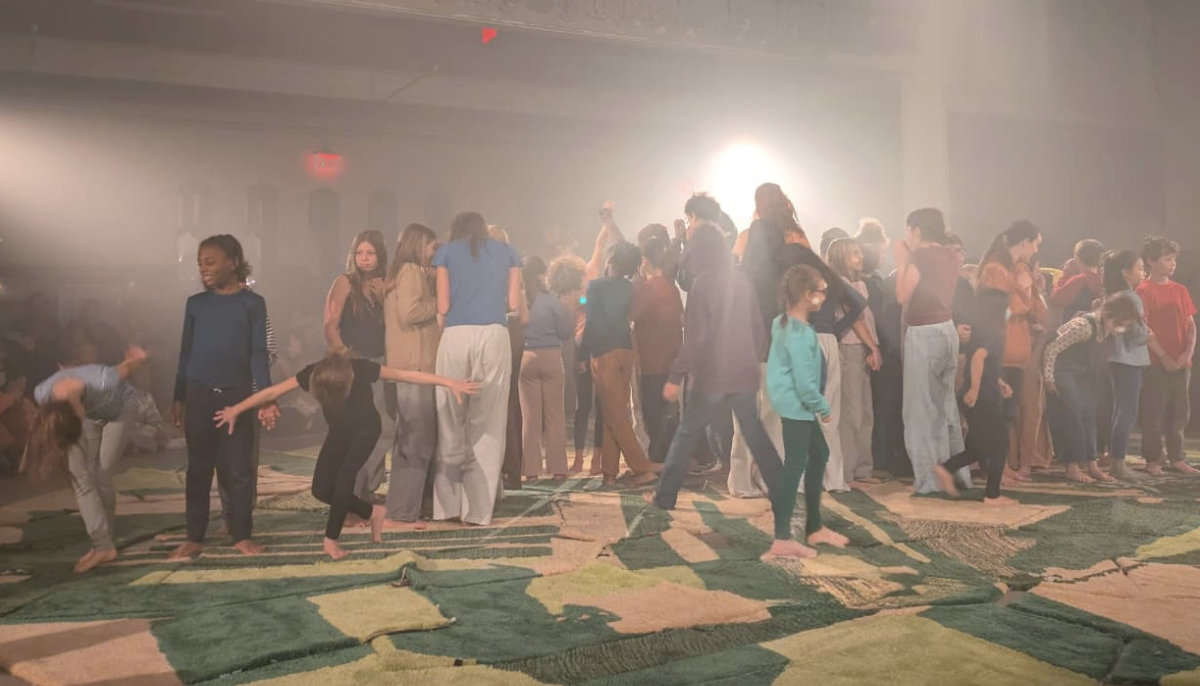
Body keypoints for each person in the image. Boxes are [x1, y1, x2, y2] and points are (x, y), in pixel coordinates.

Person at [214, 351, 478, 559]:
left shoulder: (360, 368)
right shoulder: (313, 373)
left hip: (366, 429)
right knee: (320, 489)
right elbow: (272, 392)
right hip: (339, 431)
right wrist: (235, 410)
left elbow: (405, 375)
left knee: (343, 482)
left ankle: (331, 541)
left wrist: (448, 382)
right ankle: (373, 512)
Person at [643, 221, 784, 536]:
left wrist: (678, 374)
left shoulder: (702, 284)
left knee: (686, 433)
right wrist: (754, 357)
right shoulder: (741, 280)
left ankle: (665, 496)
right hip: (743, 370)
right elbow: (758, 327)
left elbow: (695, 336)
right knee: (756, 434)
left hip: (711, 374)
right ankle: (781, 493)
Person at [169, 234, 271, 559]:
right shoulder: (195, 304)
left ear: (233, 262)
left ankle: (241, 534)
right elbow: (185, 353)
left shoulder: (253, 303)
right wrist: (179, 397)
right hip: (198, 394)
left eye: (210, 261)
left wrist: (266, 397)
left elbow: (258, 354)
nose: (204, 268)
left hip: (237, 397)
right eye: (200, 263)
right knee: (198, 469)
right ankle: (194, 537)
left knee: (239, 469)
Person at [433, 212, 522, 525]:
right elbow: (513, 302)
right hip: (494, 334)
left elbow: (442, 307)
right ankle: (479, 511)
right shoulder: (508, 252)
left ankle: (446, 507)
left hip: (456, 334)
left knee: (449, 419)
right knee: (488, 424)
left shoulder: (445, 252)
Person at [25, 346, 148, 572]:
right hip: (81, 411)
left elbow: (130, 365)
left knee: (101, 474)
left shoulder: (103, 380)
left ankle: (105, 543)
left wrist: (137, 357)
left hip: (120, 409)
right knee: (81, 478)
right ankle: (103, 544)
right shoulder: (42, 393)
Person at [764, 265, 850, 556]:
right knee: (795, 465)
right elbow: (804, 380)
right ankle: (781, 537)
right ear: (805, 295)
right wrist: (821, 406)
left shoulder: (783, 323)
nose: (825, 297)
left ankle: (814, 527)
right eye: (821, 291)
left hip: (795, 404)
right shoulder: (799, 334)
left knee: (820, 454)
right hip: (799, 406)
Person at [894, 208, 969, 494]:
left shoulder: (921, 257)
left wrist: (902, 261)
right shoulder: (950, 255)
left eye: (907, 229)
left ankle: (928, 481)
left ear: (917, 230)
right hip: (947, 329)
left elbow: (902, 294)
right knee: (946, 407)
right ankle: (956, 474)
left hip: (924, 333)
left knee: (920, 411)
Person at [581, 241, 657, 485]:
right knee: (611, 412)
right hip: (625, 350)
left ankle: (642, 468)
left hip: (604, 354)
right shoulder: (630, 287)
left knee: (616, 415)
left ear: (611, 260)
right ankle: (609, 474)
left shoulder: (595, 286)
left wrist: (582, 355)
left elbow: (591, 323)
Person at [323, 230, 391, 503]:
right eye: (359, 253)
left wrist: (384, 296)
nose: (364, 258)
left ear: (380, 256)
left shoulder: (385, 283)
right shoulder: (344, 282)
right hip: (353, 365)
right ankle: (351, 490)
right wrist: (344, 357)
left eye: (370, 253)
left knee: (385, 428)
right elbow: (330, 325)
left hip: (381, 363)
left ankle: (367, 487)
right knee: (356, 429)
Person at [1044, 295, 1141, 483]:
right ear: (1109, 314)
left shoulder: (1106, 330)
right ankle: (1071, 466)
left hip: (1083, 373)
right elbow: (1052, 348)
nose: (1121, 328)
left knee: (1090, 415)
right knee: (1071, 415)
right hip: (1063, 370)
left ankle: (1091, 463)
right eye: (1120, 322)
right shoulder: (1084, 326)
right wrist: (1049, 378)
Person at [934, 290, 1018, 505]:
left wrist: (998, 383)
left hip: (980, 395)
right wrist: (975, 388)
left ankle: (946, 469)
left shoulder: (982, 333)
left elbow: (984, 362)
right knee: (1000, 444)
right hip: (982, 399)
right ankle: (992, 495)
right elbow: (979, 358)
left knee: (978, 447)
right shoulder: (994, 335)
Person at [978, 220, 1047, 480]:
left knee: (1008, 413)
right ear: (1025, 242)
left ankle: (1003, 466)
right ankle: (996, 468)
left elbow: (1037, 313)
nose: (1035, 252)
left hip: (1019, 352)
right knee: (997, 413)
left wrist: (1033, 289)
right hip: (1000, 349)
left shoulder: (1018, 270)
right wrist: (1022, 287)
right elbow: (1005, 310)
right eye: (1036, 245)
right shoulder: (995, 270)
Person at [383, 223, 441, 528]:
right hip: (416, 367)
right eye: (432, 246)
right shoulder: (410, 271)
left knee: (410, 441)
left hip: (407, 366)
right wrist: (439, 303)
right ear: (420, 245)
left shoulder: (399, 273)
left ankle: (408, 507)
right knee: (416, 442)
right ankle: (405, 510)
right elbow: (410, 312)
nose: (435, 253)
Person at [1136, 236, 1199, 475]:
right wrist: (1164, 357)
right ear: (1151, 261)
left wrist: (1186, 354)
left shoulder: (1180, 289)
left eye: (1174, 259)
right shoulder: (1143, 291)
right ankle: (1152, 458)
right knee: (1154, 411)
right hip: (1155, 362)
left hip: (1183, 361)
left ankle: (1177, 457)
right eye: (1167, 258)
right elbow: (1144, 330)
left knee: (1180, 411)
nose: (1172, 263)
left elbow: (1190, 324)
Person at [519, 255, 580, 480]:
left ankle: (531, 470)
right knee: (555, 415)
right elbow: (566, 332)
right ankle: (558, 469)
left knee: (530, 418)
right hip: (552, 356)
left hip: (525, 358)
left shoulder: (518, 299)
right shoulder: (551, 300)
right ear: (540, 274)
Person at [826, 237, 879, 485]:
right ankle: (847, 470)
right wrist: (872, 347)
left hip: (862, 350)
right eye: (854, 254)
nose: (861, 257)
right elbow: (855, 321)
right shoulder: (841, 285)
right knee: (851, 412)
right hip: (849, 349)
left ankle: (863, 468)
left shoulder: (860, 284)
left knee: (865, 412)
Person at [631, 235, 684, 463]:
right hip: (673, 361)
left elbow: (629, 317)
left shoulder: (647, 289)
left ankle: (657, 462)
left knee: (654, 416)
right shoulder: (671, 288)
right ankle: (672, 459)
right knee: (670, 415)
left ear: (645, 260)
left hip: (651, 362)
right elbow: (682, 320)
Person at [1102, 249, 1150, 482]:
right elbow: (1135, 335)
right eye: (1140, 268)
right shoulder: (1131, 297)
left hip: (1116, 359)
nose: (1143, 272)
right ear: (1125, 272)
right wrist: (1147, 333)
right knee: (1127, 411)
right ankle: (1118, 463)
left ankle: (1115, 459)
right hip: (1128, 359)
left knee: (1120, 410)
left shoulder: (1112, 295)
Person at [1051, 240, 1106, 324]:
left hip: (1076, 329)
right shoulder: (1104, 279)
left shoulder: (1080, 279)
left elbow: (1056, 299)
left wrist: (1066, 274)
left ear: (1077, 259)